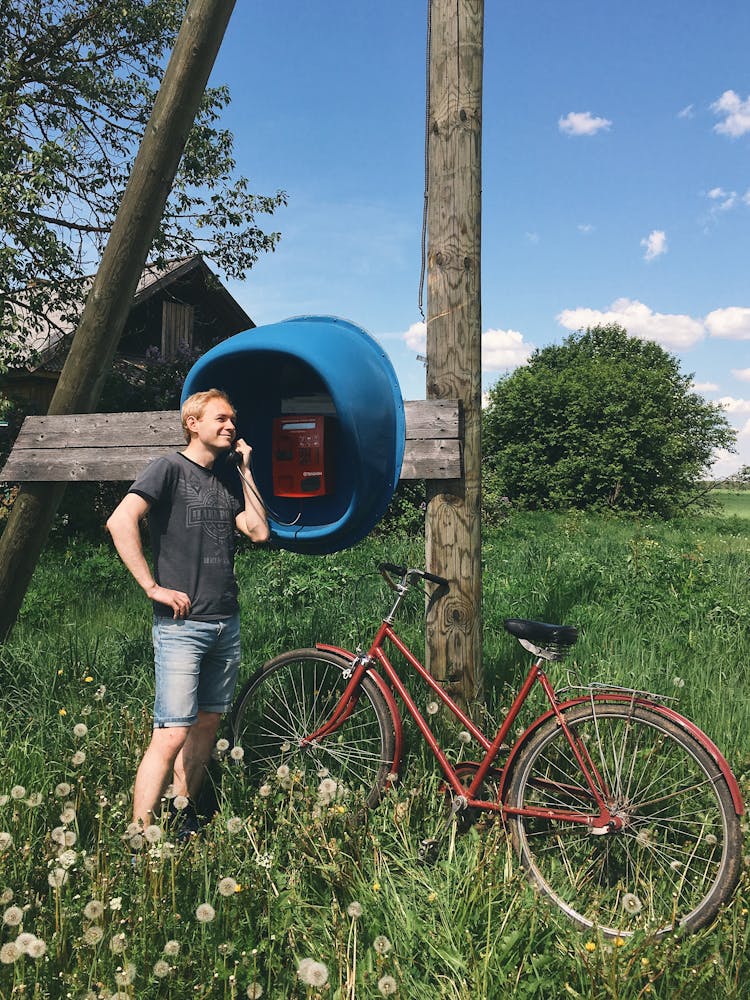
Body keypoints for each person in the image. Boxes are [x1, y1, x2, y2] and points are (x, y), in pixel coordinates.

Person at [106, 388, 269, 832]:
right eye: (220, 418)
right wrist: (152, 587)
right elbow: (120, 521)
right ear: (192, 423)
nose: (230, 425)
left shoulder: (224, 481)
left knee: (206, 726)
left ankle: (182, 817)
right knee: (172, 731)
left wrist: (246, 470)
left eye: (233, 419)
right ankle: (139, 837)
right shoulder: (168, 469)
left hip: (225, 622)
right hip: (182, 626)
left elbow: (257, 531)